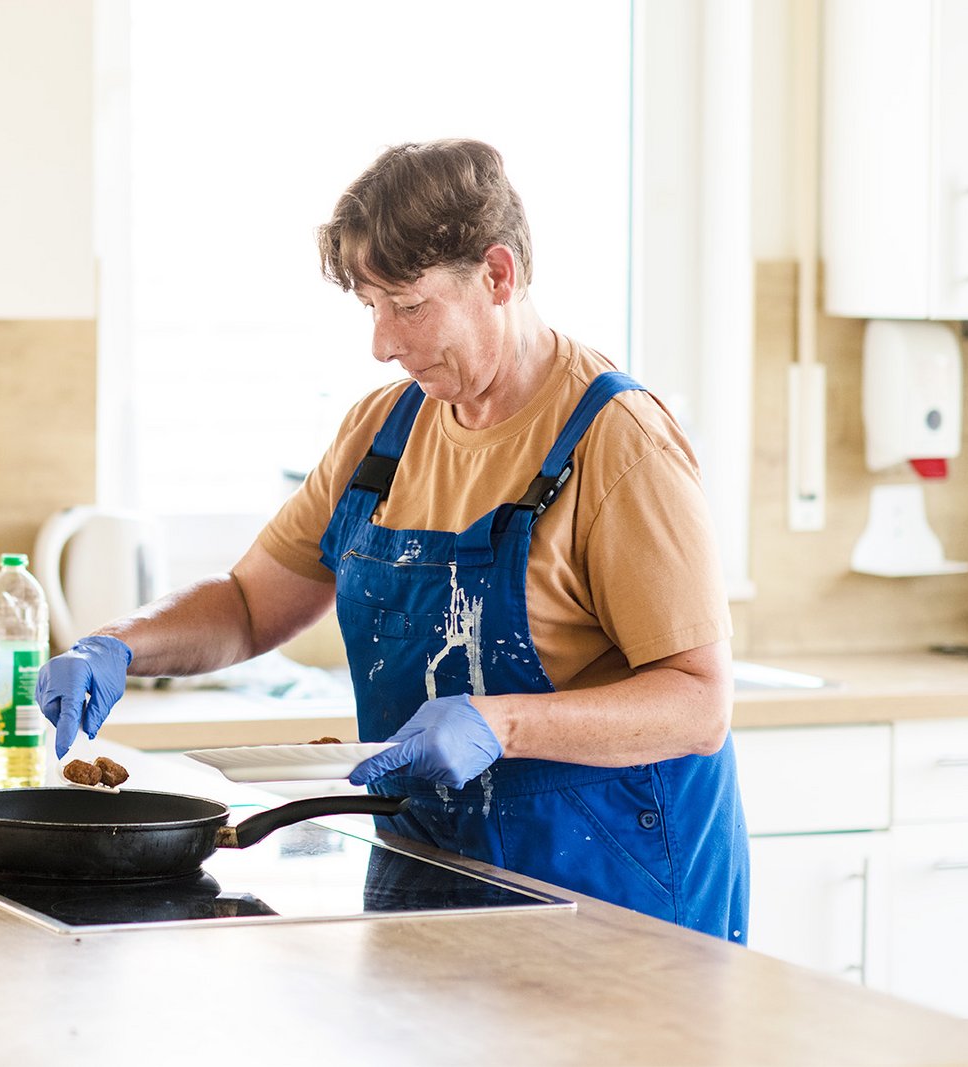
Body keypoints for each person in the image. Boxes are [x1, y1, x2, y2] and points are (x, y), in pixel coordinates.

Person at [36, 139, 749, 943]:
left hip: (613, 903)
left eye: (407, 306)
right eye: (371, 307)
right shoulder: (384, 431)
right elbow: (246, 604)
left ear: (499, 276)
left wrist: (500, 724)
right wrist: (120, 645)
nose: (381, 342)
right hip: (432, 884)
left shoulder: (617, 442)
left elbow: (698, 703)